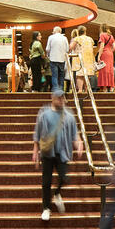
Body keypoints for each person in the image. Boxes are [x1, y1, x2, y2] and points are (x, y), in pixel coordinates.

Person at [32, 89, 83, 221]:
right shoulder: (44, 113)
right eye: (59, 98)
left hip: (62, 152)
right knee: (46, 182)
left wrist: (78, 143)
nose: (61, 100)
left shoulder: (69, 115)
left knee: (64, 177)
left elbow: (74, 133)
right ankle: (46, 208)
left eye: (63, 98)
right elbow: (37, 132)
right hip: (47, 152)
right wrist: (35, 150)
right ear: (53, 98)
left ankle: (57, 193)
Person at [69, 25, 95, 93]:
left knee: (79, 75)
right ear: (85, 31)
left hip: (79, 58)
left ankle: (80, 89)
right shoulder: (90, 39)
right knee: (87, 75)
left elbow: (71, 47)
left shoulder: (77, 39)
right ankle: (86, 90)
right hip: (89, 58)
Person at [45, 27, 69, 92]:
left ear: (55, 31)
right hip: (62, 59)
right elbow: (67, 49)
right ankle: (61, 89)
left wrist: (48, 55)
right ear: (60, 31)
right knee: (61, 76)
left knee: (54, 75)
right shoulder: (64, 38)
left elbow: (47, 48)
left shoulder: (51, 37)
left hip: (53, 58)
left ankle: (55, 89)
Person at [96, 24, 115, 92]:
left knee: (104, 70)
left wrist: (99, 56)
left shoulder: (102, 35)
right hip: (110, 54)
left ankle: (104, 88)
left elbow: (102, 46)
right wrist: (110, 51)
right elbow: (114, 47)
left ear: (101, 28)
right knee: (110, 70)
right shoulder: (111, 36)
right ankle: (111, 87)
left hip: (104, 53)